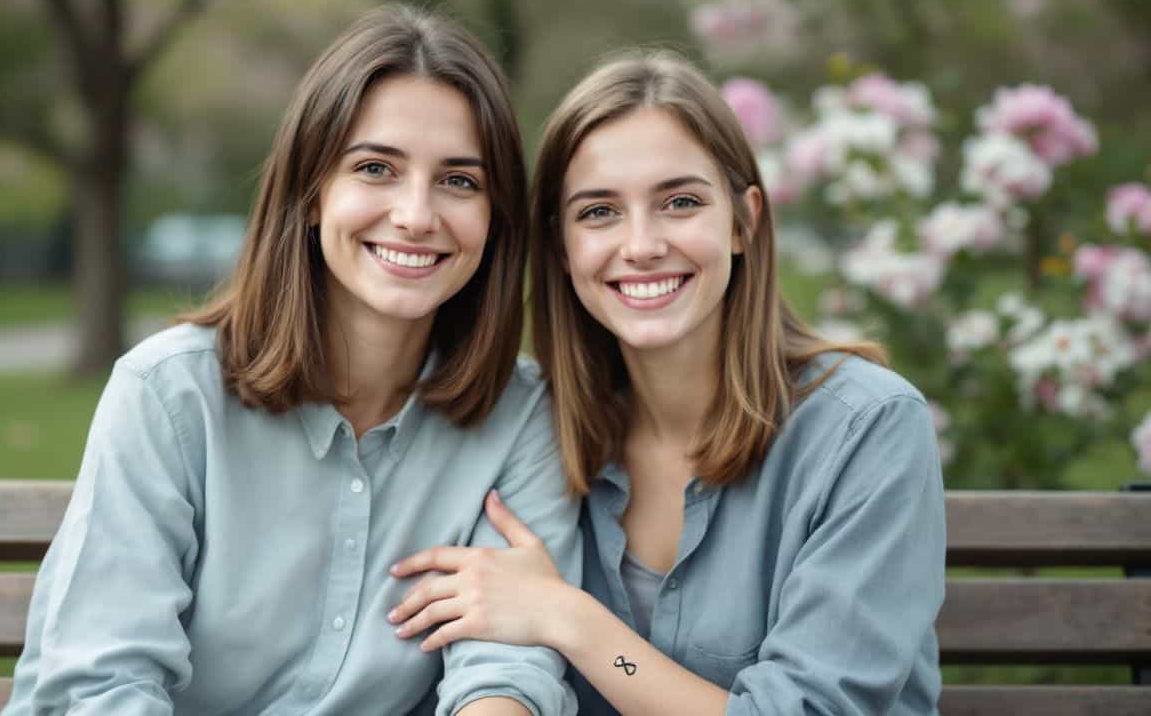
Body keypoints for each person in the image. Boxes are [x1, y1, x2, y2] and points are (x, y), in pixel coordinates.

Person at [2, 5, 581, 716]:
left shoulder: (520, 419)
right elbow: (100, 686)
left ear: (495, 222)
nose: (416, 214)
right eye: (376, 168)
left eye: (459, 181)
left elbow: (503, 670)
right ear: (311, 194)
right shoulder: (169, 395)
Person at [388, 51, 946, 715]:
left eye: (680, 202)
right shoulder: (535, 432)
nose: (642, 244)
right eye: (599, 212)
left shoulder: (866, 429)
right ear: (562, 249)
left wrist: (571, 619)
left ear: (745, 221)